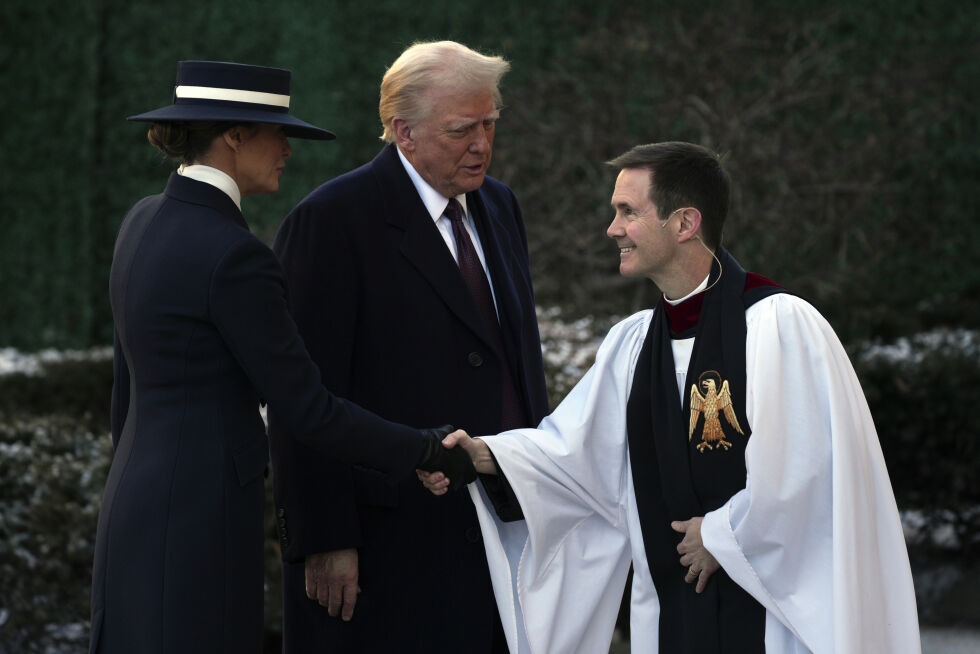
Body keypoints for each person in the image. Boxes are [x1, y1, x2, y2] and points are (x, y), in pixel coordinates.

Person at [421, 142, 921, 653]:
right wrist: (480, 454)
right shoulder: (633, 344)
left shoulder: (778, 325)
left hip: (772, 622)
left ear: (684, 224)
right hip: (671, 619)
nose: (612, 228)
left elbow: (811, 473)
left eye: (628, 212)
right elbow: (573, 455)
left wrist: (723, 537)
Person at [89, 60, 473, 654]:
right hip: (199, 523)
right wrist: (424, 448)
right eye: (278, 133)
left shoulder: (141, 221)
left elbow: (126, 394)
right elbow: (308, 409)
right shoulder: (235, 255)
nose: (287, 150)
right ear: (236, 136)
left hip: (131, 510)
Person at [270, 41, 549, 652]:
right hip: (387, 541)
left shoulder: (500, 206)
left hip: (504, 523)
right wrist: (324, 536)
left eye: (489, 124)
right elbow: (303, 397)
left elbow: (515, 364)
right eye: (460, 130)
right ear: (403, 131)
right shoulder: (332, 221)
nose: (481, 144)